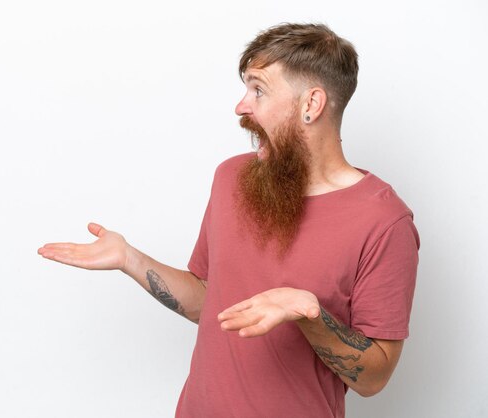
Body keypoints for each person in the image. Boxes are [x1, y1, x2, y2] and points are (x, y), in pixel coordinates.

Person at [38, 23, 419, 418]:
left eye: (258, 89)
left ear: (312, 104)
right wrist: (130, 259)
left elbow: (374, 378)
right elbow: (210, 302)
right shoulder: (232, 179)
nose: (242, 106)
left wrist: (311, 315)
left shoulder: (384, 221)